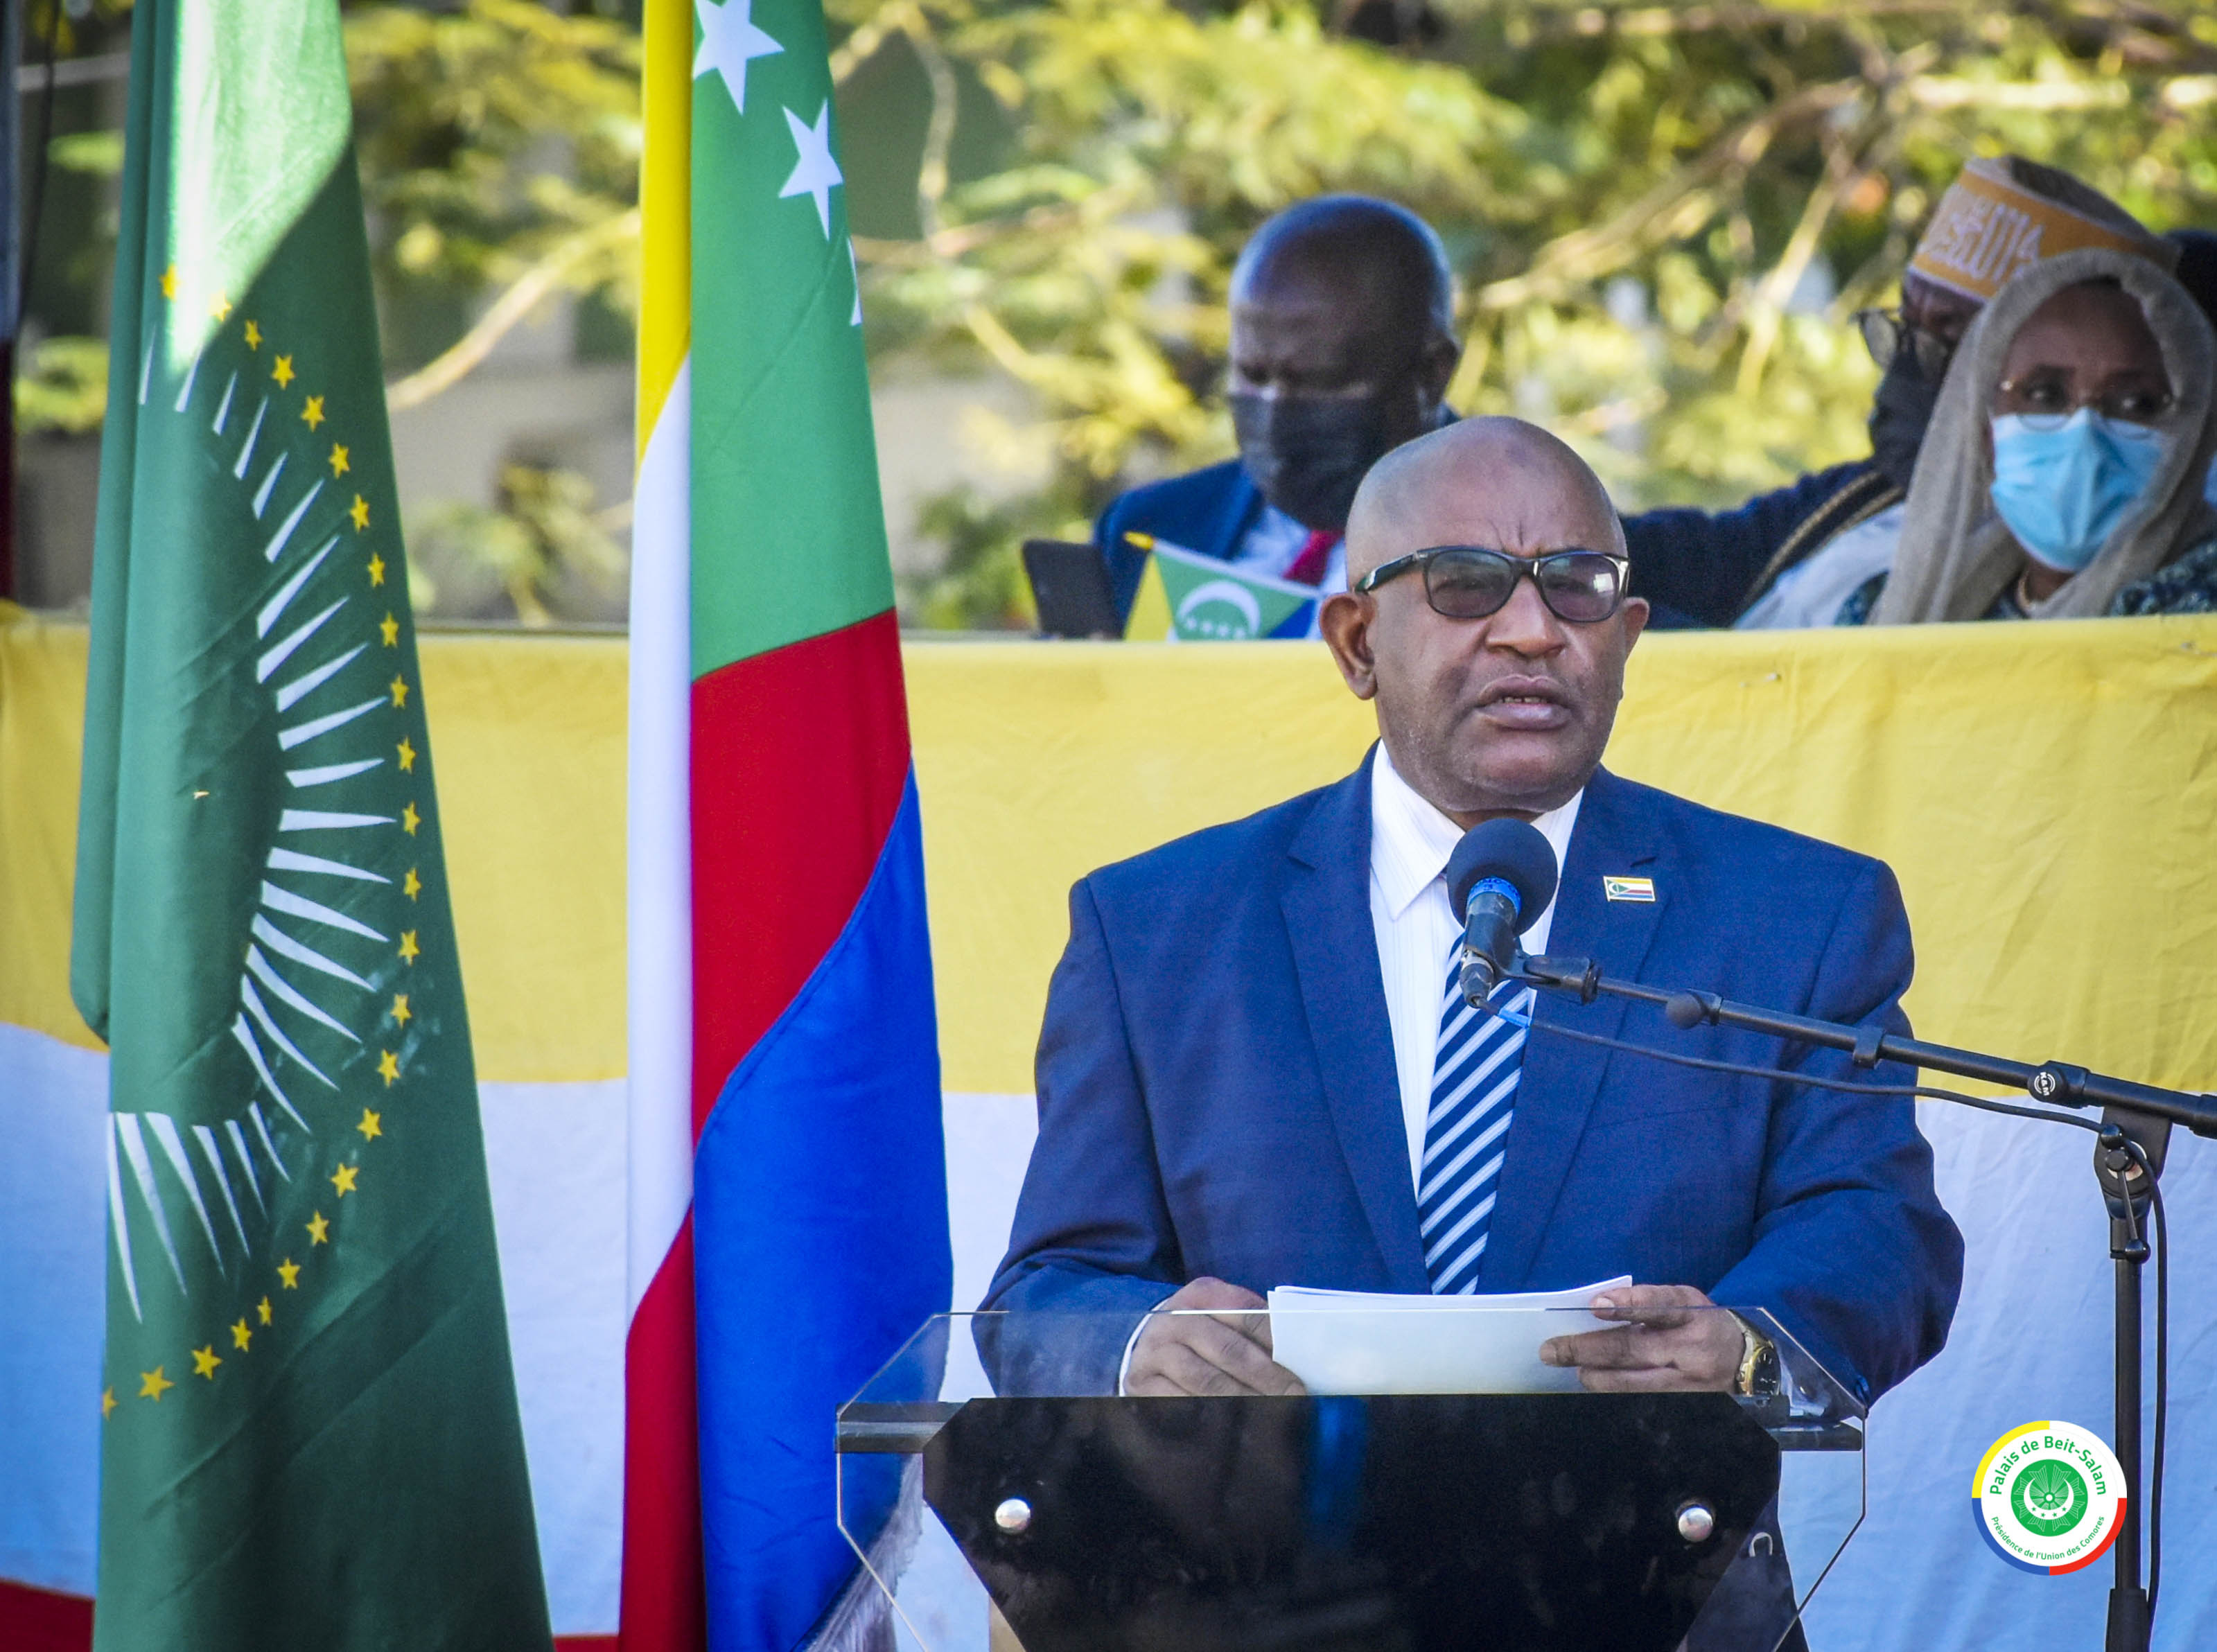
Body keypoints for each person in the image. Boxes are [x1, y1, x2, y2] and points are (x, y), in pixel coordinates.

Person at [988, 416, 1962, 1423]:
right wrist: (1139, 1346)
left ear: (1624, 638)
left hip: (1649, 1553)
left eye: (1574, 584)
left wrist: (1751, 1344)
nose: (1533, 631)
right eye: (1465, 581)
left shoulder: (1795, 914)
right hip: (1246, 1558)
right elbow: (1050, 1288)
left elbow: (1875, 1230)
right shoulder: (1155, 929)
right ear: (1355, 643)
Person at [1624, 157, 2174, 629]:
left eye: (1950, 337)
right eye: (1905, 328)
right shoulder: (1865, 497)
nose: (1909, 368)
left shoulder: (2086, 552)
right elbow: (1695, 557)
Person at [1093, 195, 1461, 630]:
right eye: (1252, 374)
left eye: (1320, 380)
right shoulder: (1147, 532)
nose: (1273, 413)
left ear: (1431, 373)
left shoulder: (1520, 548)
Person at [1840, 249, 2217, 623]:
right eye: (2044, 395)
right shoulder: (1899, 607)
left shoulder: (2198, 610)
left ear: (2191, 438)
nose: (2084, 433)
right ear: (1986, 432)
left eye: (2136, 403)